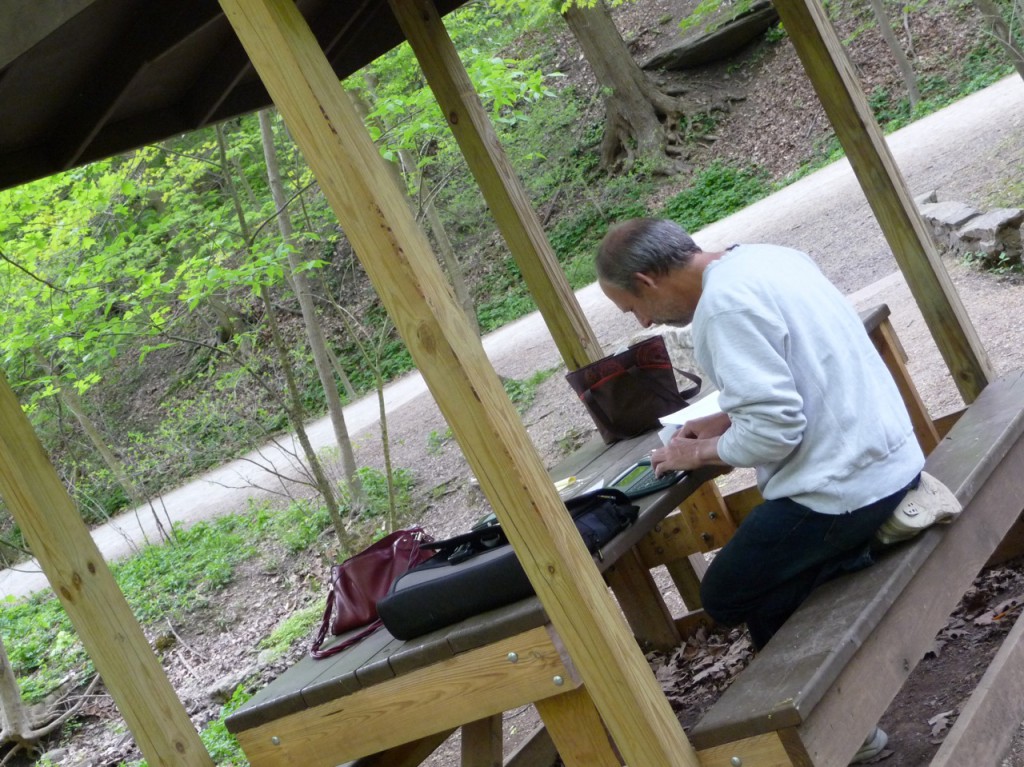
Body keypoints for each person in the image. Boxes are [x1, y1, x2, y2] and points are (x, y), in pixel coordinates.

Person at [596, 217, 925, 764]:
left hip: (845, 489)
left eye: (633, 308)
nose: (646, 320)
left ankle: (837, 727)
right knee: (774, 589)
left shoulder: (721, 309)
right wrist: (727, 416)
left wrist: (693, 453)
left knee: (727, 595)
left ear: (648, 281)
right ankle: (844, 735)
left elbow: (775, 432)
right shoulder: (770, 258)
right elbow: (798, 369)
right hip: (891, 456)